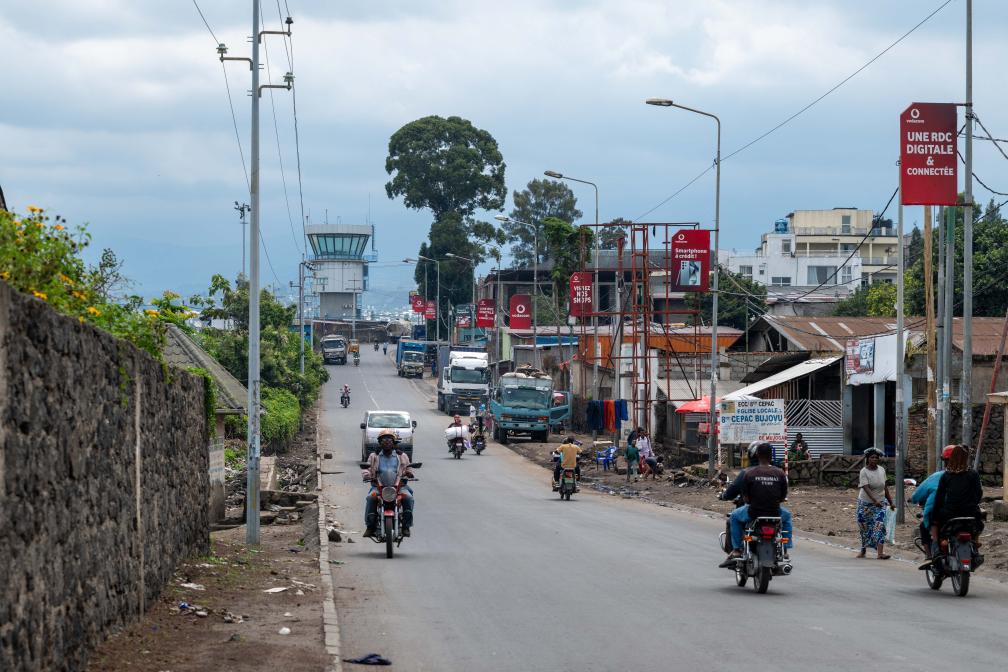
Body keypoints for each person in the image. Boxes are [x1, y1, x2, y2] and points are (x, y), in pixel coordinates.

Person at [719, 442, 790, 567]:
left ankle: (736, 550)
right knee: (787, 516)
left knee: (734, 517)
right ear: (771, 455)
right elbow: (783, 496)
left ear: (756, 455)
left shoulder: (748, 473)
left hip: (754, 512)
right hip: (775, 512)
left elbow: (746, 498)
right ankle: (785, 549)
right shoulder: (780, 473)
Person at [930, 444, 984, 556]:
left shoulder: (946, 476)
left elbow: (939, 498)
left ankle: (943, 540)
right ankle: (976, 540)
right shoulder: (973, 474)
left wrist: (934, 515)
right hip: (970, 512)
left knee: (937, 521)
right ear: (966, 458)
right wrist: (972, 504)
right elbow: (979, 493)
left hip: (950, 513)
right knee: (979, 522)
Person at [362, 431, 415, 538]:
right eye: (384, 440)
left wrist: (410, 473)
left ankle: (406, 526)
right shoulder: (374, 456)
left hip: (399, 487)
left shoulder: (402, 456)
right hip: (378, 487)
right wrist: (367, 475)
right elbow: (367, 468)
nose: (386, 443)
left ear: (394, 443)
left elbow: (409, 468)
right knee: (370, 498)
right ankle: (370, 526)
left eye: (389, 440)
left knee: (409, 498)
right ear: (379, 443)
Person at [910, 444, 956, 565]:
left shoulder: (940, 476)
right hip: (966, 512)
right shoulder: (970, 474)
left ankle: (930, 555)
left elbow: (918, 496)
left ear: (945, 461)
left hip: (943, 513)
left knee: (927, 524)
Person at [856, 447, 894, 559]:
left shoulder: (882, 470)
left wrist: (891, 502)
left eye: (876, 458)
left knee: (879, 526)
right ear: (867, 459)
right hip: (865, 504)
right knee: (864, 527)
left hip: (880, 504)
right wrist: (874, 500)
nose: (874, 459)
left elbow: (885, 487)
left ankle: (880, 553)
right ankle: (863, 550)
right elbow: (866, 488)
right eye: (872, 457)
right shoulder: (864, 471)